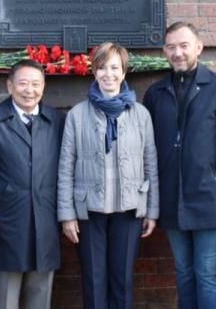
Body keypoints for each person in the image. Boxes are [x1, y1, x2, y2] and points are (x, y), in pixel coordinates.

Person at [143, 22, 216, 309]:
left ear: (198, 47)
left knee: (207, 274)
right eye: (171, 47)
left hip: (209, 199)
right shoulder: (156, 93)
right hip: (171, 198)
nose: (178, 53)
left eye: (184, 45)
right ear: (165, 51)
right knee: (184, 273)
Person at [57, 42, 159, 309]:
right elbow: (66, 166)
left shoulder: (141, 114)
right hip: (89, 212)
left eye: (115, 67)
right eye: (101, 67)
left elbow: (151, 163)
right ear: (94, 72)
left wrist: (152, 210)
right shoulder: (77, 115)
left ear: (124, 72)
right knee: (93, 279)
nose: (108, 74)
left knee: (122, 279)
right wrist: (67, 214)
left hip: (129, 209)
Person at [0, 59, 65, 309]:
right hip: (6, 220)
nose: (29, 90)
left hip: (46, 218)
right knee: (5, 297)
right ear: (9, 85)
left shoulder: (56, 121)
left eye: (36, 84)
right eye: (23, 83)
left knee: (40, 293)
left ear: (43, 87)